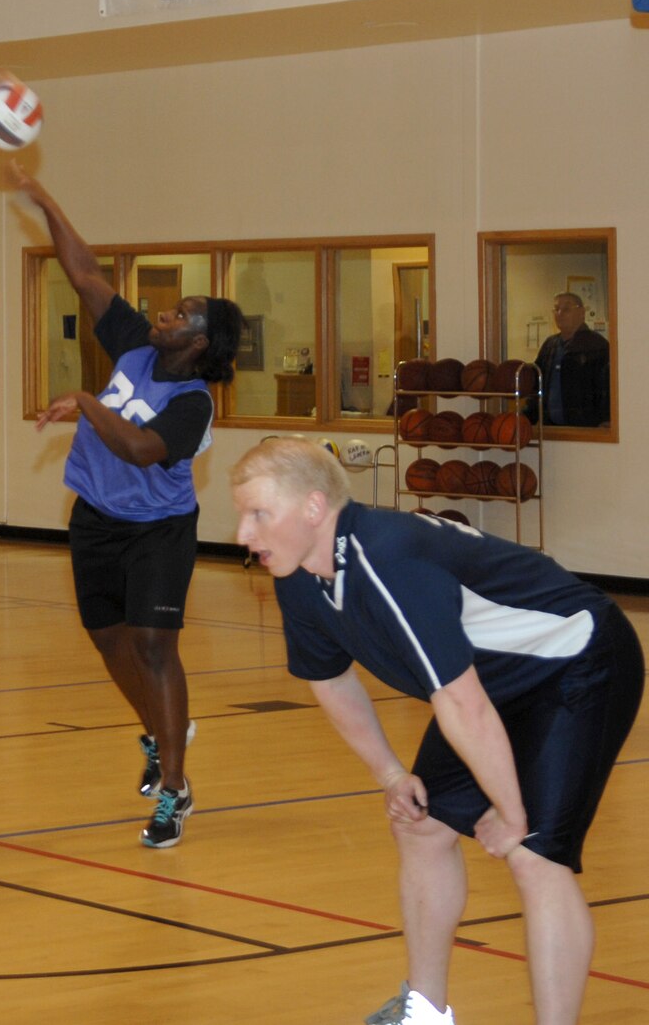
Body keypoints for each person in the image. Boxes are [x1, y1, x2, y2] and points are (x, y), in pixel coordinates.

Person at [231, 438, 641, 1025]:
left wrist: (512, 813)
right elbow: (330, 679)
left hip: (578, 663)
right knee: (421, 827)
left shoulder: (387, 557)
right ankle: (425, 1011)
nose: (244, 533)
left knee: (534, 857)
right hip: (490, 683)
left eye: (259, 514)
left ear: (314, 507)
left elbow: (460, 702)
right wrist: (391, 774)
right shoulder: (299, 576)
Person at [11, 161, 244, 848]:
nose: (167, 313)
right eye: (170, 309)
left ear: (197, 342)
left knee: (154, 647)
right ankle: (157, 735)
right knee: (110, 640)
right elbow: (84, 274)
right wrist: (44, 198)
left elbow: (143, 449)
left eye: (182, 314)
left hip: (158, 532)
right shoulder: (137, 345)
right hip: (94, 519)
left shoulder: (194, 404)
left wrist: (85, 399)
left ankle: (175, 787)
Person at [532, 292, 609, 428]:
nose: (559, 313)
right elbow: (537, 383)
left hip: (586, 428)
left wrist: (606, 419)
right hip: (551, 429)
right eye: (556, 309)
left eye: (566, 309)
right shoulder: (550, 345)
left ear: (581, 312)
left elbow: (608, 387)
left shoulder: (597, 345)